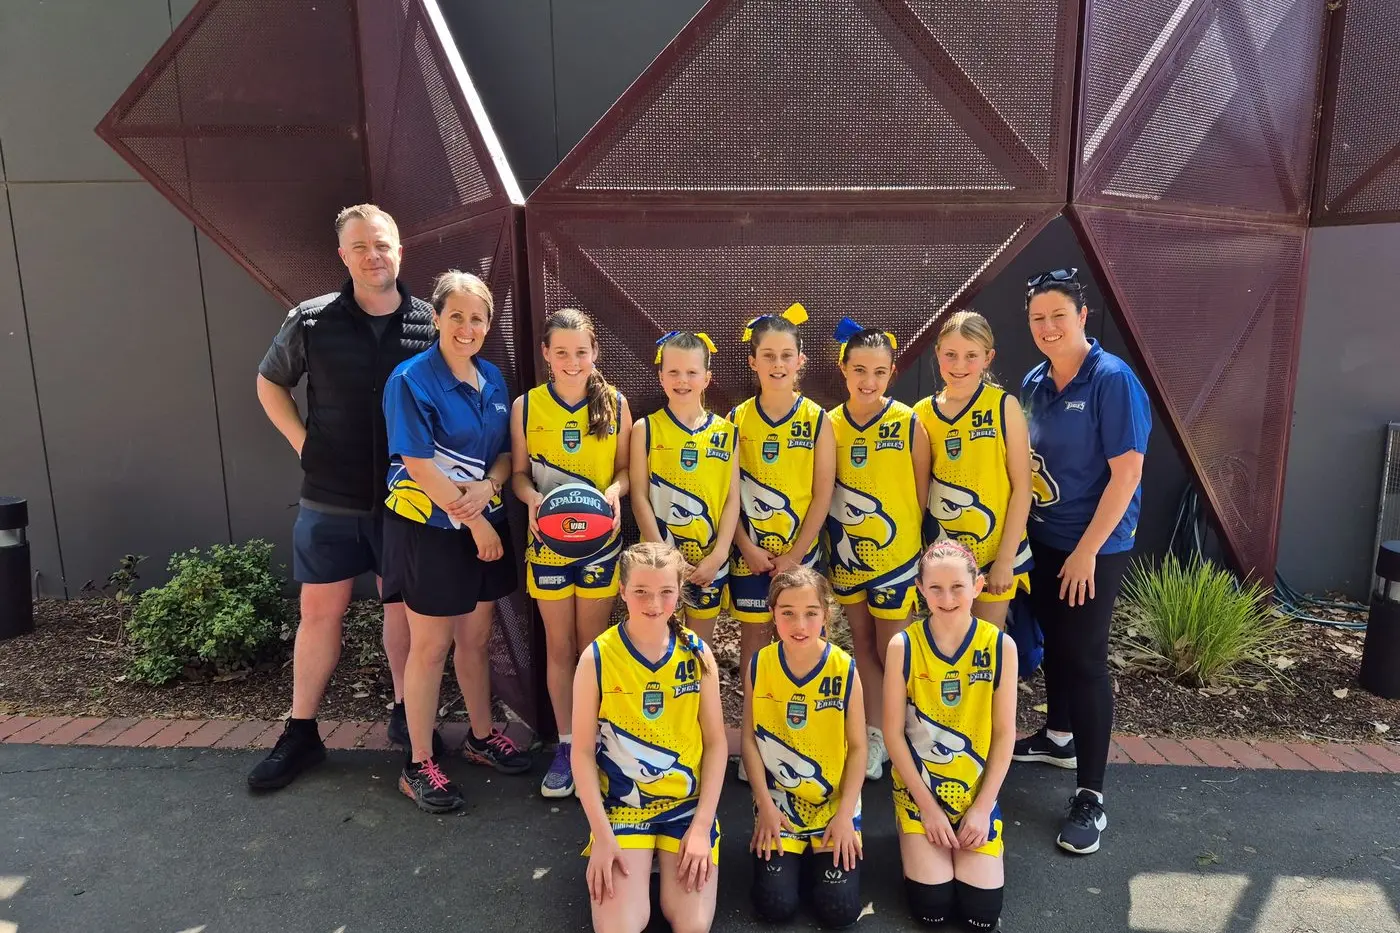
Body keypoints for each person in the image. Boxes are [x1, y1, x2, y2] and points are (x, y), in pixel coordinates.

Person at [249, 204, 437, 790]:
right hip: (330, 496)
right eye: (360, 247)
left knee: (401, 609)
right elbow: (269, 382)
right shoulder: (311, 319)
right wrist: (302, 444)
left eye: (382, 245)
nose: (373, 255)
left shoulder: (430, 323)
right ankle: (301, 732)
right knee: (319, 613)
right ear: (343, 256)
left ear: (400, 249)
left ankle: (408, 715)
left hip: (407, 500)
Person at [379, 270, 531, 812]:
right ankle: (418, 763)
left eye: (478, 318)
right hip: (431, 532)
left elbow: (507, 457)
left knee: (477, 636)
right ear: (437, 318)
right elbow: (418, 465)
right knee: (431, 646)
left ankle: (480, 738)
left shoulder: (492, 378)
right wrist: (479, 521)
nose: (468, 327)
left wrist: (491, 486)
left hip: (480, 527)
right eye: (457, 316)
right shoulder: (411, 379)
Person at [1013, 268, 1151, 855]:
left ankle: (1090, 795)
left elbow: (1127, 475)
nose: (1047, 327)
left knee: (1087, 658)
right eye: (1038, 318)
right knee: (1056, 644)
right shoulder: (1034, 379)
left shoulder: (1111, 381)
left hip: (1093, 546)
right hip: (1043, 539)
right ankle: (1058, 734)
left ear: (1082, 316)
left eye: (1058, 316)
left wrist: (1087, 552)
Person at [571, 542, 726, 933]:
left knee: (691, 924)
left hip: (685, 807)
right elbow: (584, 752)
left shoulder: (696, 653)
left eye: (665, 592)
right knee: (622, 926)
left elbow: (717, 744)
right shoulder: (598, 657)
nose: (653, 602)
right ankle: (638, 860)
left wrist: (702, 827)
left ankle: (666, 856)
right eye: (641, 591)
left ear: (678, 592)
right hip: (625, 807)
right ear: (622, 591)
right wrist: (603, 837)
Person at [511, 308, 631, 798]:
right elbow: (518, 474)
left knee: (592, 647)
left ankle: (597, 742)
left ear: (594, 352)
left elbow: (625, 470)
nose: (572, 360)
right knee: (559, 648)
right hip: (549, 545)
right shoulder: (526, 407)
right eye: (561, 352)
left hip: (600, 545)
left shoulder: (616, 406)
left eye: (581, 351)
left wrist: (616, 494)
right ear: (546, 354)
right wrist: (531, 499)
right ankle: (566, 744)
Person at [883, 540, 1016, 931]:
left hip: (974, 795)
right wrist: (926, 807)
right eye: (936, 588)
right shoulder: (903, 646)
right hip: (920, 794)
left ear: (977, 586)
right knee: (933, 909)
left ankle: (980, 826)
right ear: (920, 590)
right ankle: (910, 832)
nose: (947, 597)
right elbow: (892, 734)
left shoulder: (999, 646)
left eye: (957, 587)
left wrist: (981, 807)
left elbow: (1005, 734)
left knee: (981, 915)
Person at [728, 304, 834, 781]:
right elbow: (723, 492)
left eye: (785, 355)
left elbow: (823, 492)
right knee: (755, 649)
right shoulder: (735, 420)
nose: (776, 364)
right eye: (767, 355)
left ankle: (804, 742)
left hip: (801, 558)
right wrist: (747, 546)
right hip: (749, 557)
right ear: (752, 361)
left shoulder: (816, 420)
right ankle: (756, 744)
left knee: (804, 647)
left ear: (800, 360)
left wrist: (794, 555)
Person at [825, 318, 929, 780]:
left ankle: (902, 733)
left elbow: (921, 492)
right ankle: (874, 734)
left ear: (892, 373)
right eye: (860, 370)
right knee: (862, 646)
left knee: (895, 650)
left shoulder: (908, 422)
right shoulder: (828, 425)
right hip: (848, 561)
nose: (869, 381)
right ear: (843, 369)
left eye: (880, 372)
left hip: (895, 558)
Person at [743, 567, 865, 929]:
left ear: (825, 615)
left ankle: (819, 853)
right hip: (779, 804)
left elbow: (858, 748)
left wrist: (844, 816)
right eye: (788, 613)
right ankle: (799, 858)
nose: (800, 623)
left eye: (811, 613)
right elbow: (749, 739)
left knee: (839, 911)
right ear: (773, 615)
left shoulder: (844, 669)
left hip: (833, 803)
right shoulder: (761, 664)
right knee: (775, 905)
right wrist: (764, 806)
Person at [914, 311, 1033, 630]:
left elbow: (1023, 486)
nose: (959, 365)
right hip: (944, 556)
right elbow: (919, 493)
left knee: (986, 649)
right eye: (950, 354)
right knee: (950, 644)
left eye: (971, 356)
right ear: (938, 353)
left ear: (988, 358)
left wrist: (1005, 560)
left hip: (994, 553)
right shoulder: (921, 414)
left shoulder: (1002, 406)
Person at [629, 331, 741, 645]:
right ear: (661, 376)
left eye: (692, 372)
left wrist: (718, 556)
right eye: (674, 372)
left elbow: (732, 498)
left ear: (707, 378)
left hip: (707, 564)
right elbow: (638, 496)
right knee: (656, 647)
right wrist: (668, 558)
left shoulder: (726, 432)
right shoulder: (646, 429)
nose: (683, 380)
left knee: (697, 649)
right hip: (658, 565)